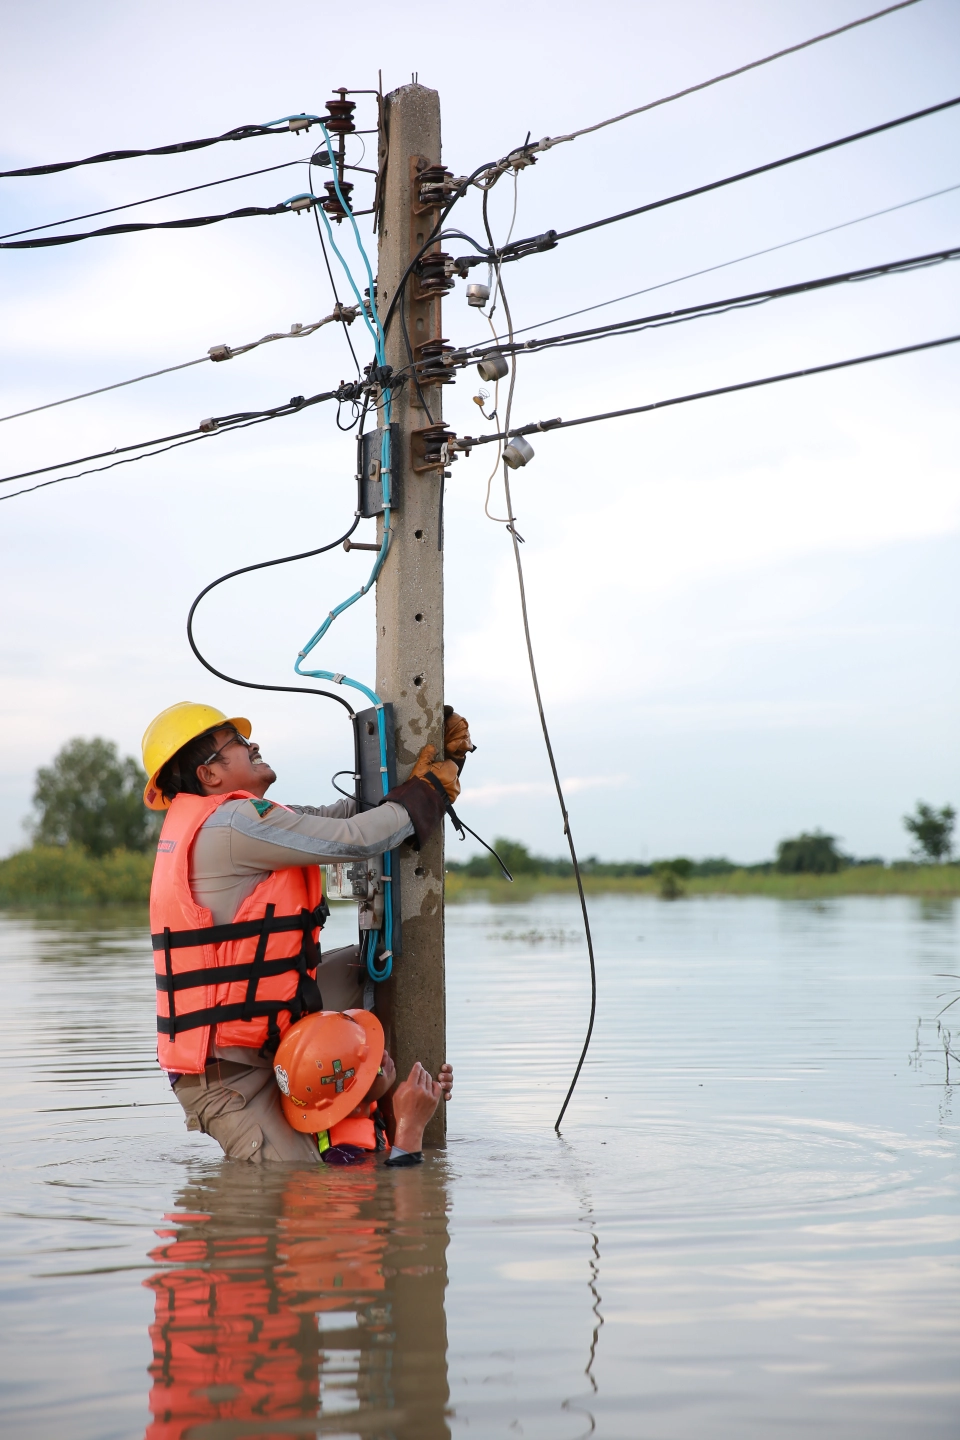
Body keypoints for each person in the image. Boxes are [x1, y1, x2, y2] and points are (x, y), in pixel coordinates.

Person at [142, 700, 474, 1163]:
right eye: (237, 742)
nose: (253, 744)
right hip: (229, 1077)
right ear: (209, 774)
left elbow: (343, 818)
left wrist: (428, 772)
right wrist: (429, 792)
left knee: (375, 965)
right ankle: (404, 1134)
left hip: (271, 1041)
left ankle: (394, 1090)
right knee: (304, 1186)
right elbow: (358, 837)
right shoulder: (234, 826)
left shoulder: (235, 818)